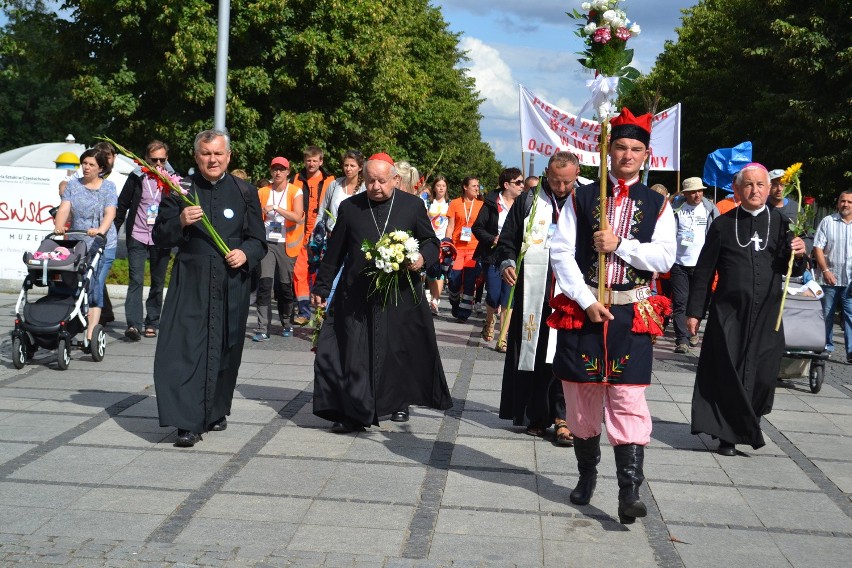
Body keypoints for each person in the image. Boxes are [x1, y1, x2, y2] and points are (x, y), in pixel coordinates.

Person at [548, 108, 675, 524]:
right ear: (606, 151)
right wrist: (585, 299)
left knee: (628, 398)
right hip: (586, 310)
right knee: (580, 400)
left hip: (630, 314)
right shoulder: (583, 196)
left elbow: (664, 256)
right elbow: (561, 250)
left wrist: (620, 244)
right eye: (620, 147)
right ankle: (587, 476)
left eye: (635, 149)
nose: (627, 155)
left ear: (646, 155)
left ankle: (629, 492)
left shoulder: (658, 204)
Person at [311, 153, 452, 432]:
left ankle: (398, 401)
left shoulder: (412, 206)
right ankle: (353, 412)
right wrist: (322, 286)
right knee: (353, 352)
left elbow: (431, 242)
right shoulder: (351, 208)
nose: (376, 186)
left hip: (399, 293)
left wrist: (422, 258)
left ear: (395, 180)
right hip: (357, 293)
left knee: (396, 350)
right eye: (371, 180)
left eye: (382, 181)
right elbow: (336, 251)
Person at [152, 129, 267, 448]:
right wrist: (181, 222)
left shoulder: (245, 191)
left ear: (228, 156)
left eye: (218, 153)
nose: (212, 159)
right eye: (206, 153)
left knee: (227, 347)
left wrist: (245, 253)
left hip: (232, 282)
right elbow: (160, 236)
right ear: (196, 157)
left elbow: (259, 240)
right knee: (183, 349)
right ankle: (187, 422)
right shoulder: (180, 190)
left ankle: (215, 410)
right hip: (191, 281)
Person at [686, 163, 806, 456]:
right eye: (748, 185)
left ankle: (747, 421)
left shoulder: (781, 224)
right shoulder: (724, 224)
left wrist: (800, 254)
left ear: (769, 189)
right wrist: (694, 312)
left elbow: (792, 269)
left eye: (760, 185)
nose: (755, 190)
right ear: (737, 190)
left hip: (768, 315)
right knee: (731, 372)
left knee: (764, 375)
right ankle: (728, 435)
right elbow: (704, 271)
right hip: (729, 313)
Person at [497, 151, 580, 446]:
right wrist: (507, 263)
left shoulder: (585, 198)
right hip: (535, 291)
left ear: (576, 174)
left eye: (567, 182)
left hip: (571, 292)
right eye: (556, 181)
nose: (561, 188)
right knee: (534, 350)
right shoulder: (529, 200)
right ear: (546, 173)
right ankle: (536, 414)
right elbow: (507, 240)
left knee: (565, 354)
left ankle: (563, 417)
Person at [53, 149, 119, 347]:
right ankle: (75, 322)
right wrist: (59, 225)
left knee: (95, 284)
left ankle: (91, 332)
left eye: (91, 164)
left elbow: (110, 213)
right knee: (77, 284)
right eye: (84, 163)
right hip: (78, 242)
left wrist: (100, 230)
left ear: (100, 167)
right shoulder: (74, 184)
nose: (86, 167)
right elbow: (65, 207)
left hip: (102, 243)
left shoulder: (108, 187)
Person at [114, 140, 174, 341]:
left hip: (160, 237)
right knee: (136, 279)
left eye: (162, 160)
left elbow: (179, 208)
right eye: (153, 159)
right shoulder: (136, 176)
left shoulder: (172, 179)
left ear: (166, 159)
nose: (157, 164)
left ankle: (152, 322)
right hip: (137, 234)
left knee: (157, 282)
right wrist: (113, 231)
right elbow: (122, 205)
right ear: (145, 158)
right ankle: (133, 324)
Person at [472, 167, 524, 352]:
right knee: (493, 294)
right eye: (518, 182)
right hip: (492, 255)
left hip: (511, 256)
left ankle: (502, 338)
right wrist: (492, 238)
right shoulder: (491, 203)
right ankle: (488, 321)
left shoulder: (523, 203)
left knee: (507, 296)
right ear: (506, 184)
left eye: (522, 182)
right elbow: (477, 228)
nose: (522, 185)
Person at [253, 157, 304, 341]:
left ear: (288, 171)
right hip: (267, 243)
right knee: (265, 284)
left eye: (281, 169)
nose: (278, 173)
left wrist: (276, 208)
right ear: (270, 170)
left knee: (284, 286)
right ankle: (262, 328)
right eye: (275, 169)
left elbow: (297, 217)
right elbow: (255, 216)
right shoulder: (262, 191)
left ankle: (287, 323)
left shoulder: (295, 191)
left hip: (286, 244)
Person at [670, 177, 720, 353]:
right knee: (680, 302)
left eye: (700, 191)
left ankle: (693, 331)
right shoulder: (675, 209)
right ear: (685, 193)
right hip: (679, 263)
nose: (697, 194)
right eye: (693, 191)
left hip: (702, 265)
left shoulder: (710, 210)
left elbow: (716, 235)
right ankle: (681, 339)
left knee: (698, 302)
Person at [292, 146, 335, 325]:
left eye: (315, 160)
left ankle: (321, 311)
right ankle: (303, 311)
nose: (311, 163)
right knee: (299, 272)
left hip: (321, 234)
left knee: (320, 273)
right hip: (300, 233)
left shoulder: (330, 181)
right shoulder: (296, 179)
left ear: (321, 161)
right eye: (308, 160)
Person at [812, 189, 852, 363]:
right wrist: (826, 270)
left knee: (851, 316)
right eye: (843, 201)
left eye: (850, 202)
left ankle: (851, 352)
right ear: (838, 203)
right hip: (829, 278)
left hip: (850, 281)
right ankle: (826, 346)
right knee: (826, 314)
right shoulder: (828, 221)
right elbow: (818, 247)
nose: (846, 204)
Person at [445, 176, 483, 321]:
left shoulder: (481, 205)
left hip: (473, 248)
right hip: (457, 248)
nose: (477, 188)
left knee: (469, 281)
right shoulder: (455, 203)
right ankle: (454, 301)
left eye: (478, 186)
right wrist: (447, 243)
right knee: (454, 280)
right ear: (465, 187)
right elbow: (450, 226)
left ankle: (464, 313)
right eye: (473, 186)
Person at [426, 175, 450, 315]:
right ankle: (434, 297)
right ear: (434, 187)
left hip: (443, 241)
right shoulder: (429, 203)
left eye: (443, 186)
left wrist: (448, 239)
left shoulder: (450, 204)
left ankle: (435, 299)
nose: (441, 188)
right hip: (429, 240)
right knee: (430, 271)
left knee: (440, 270)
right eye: (438, 185)